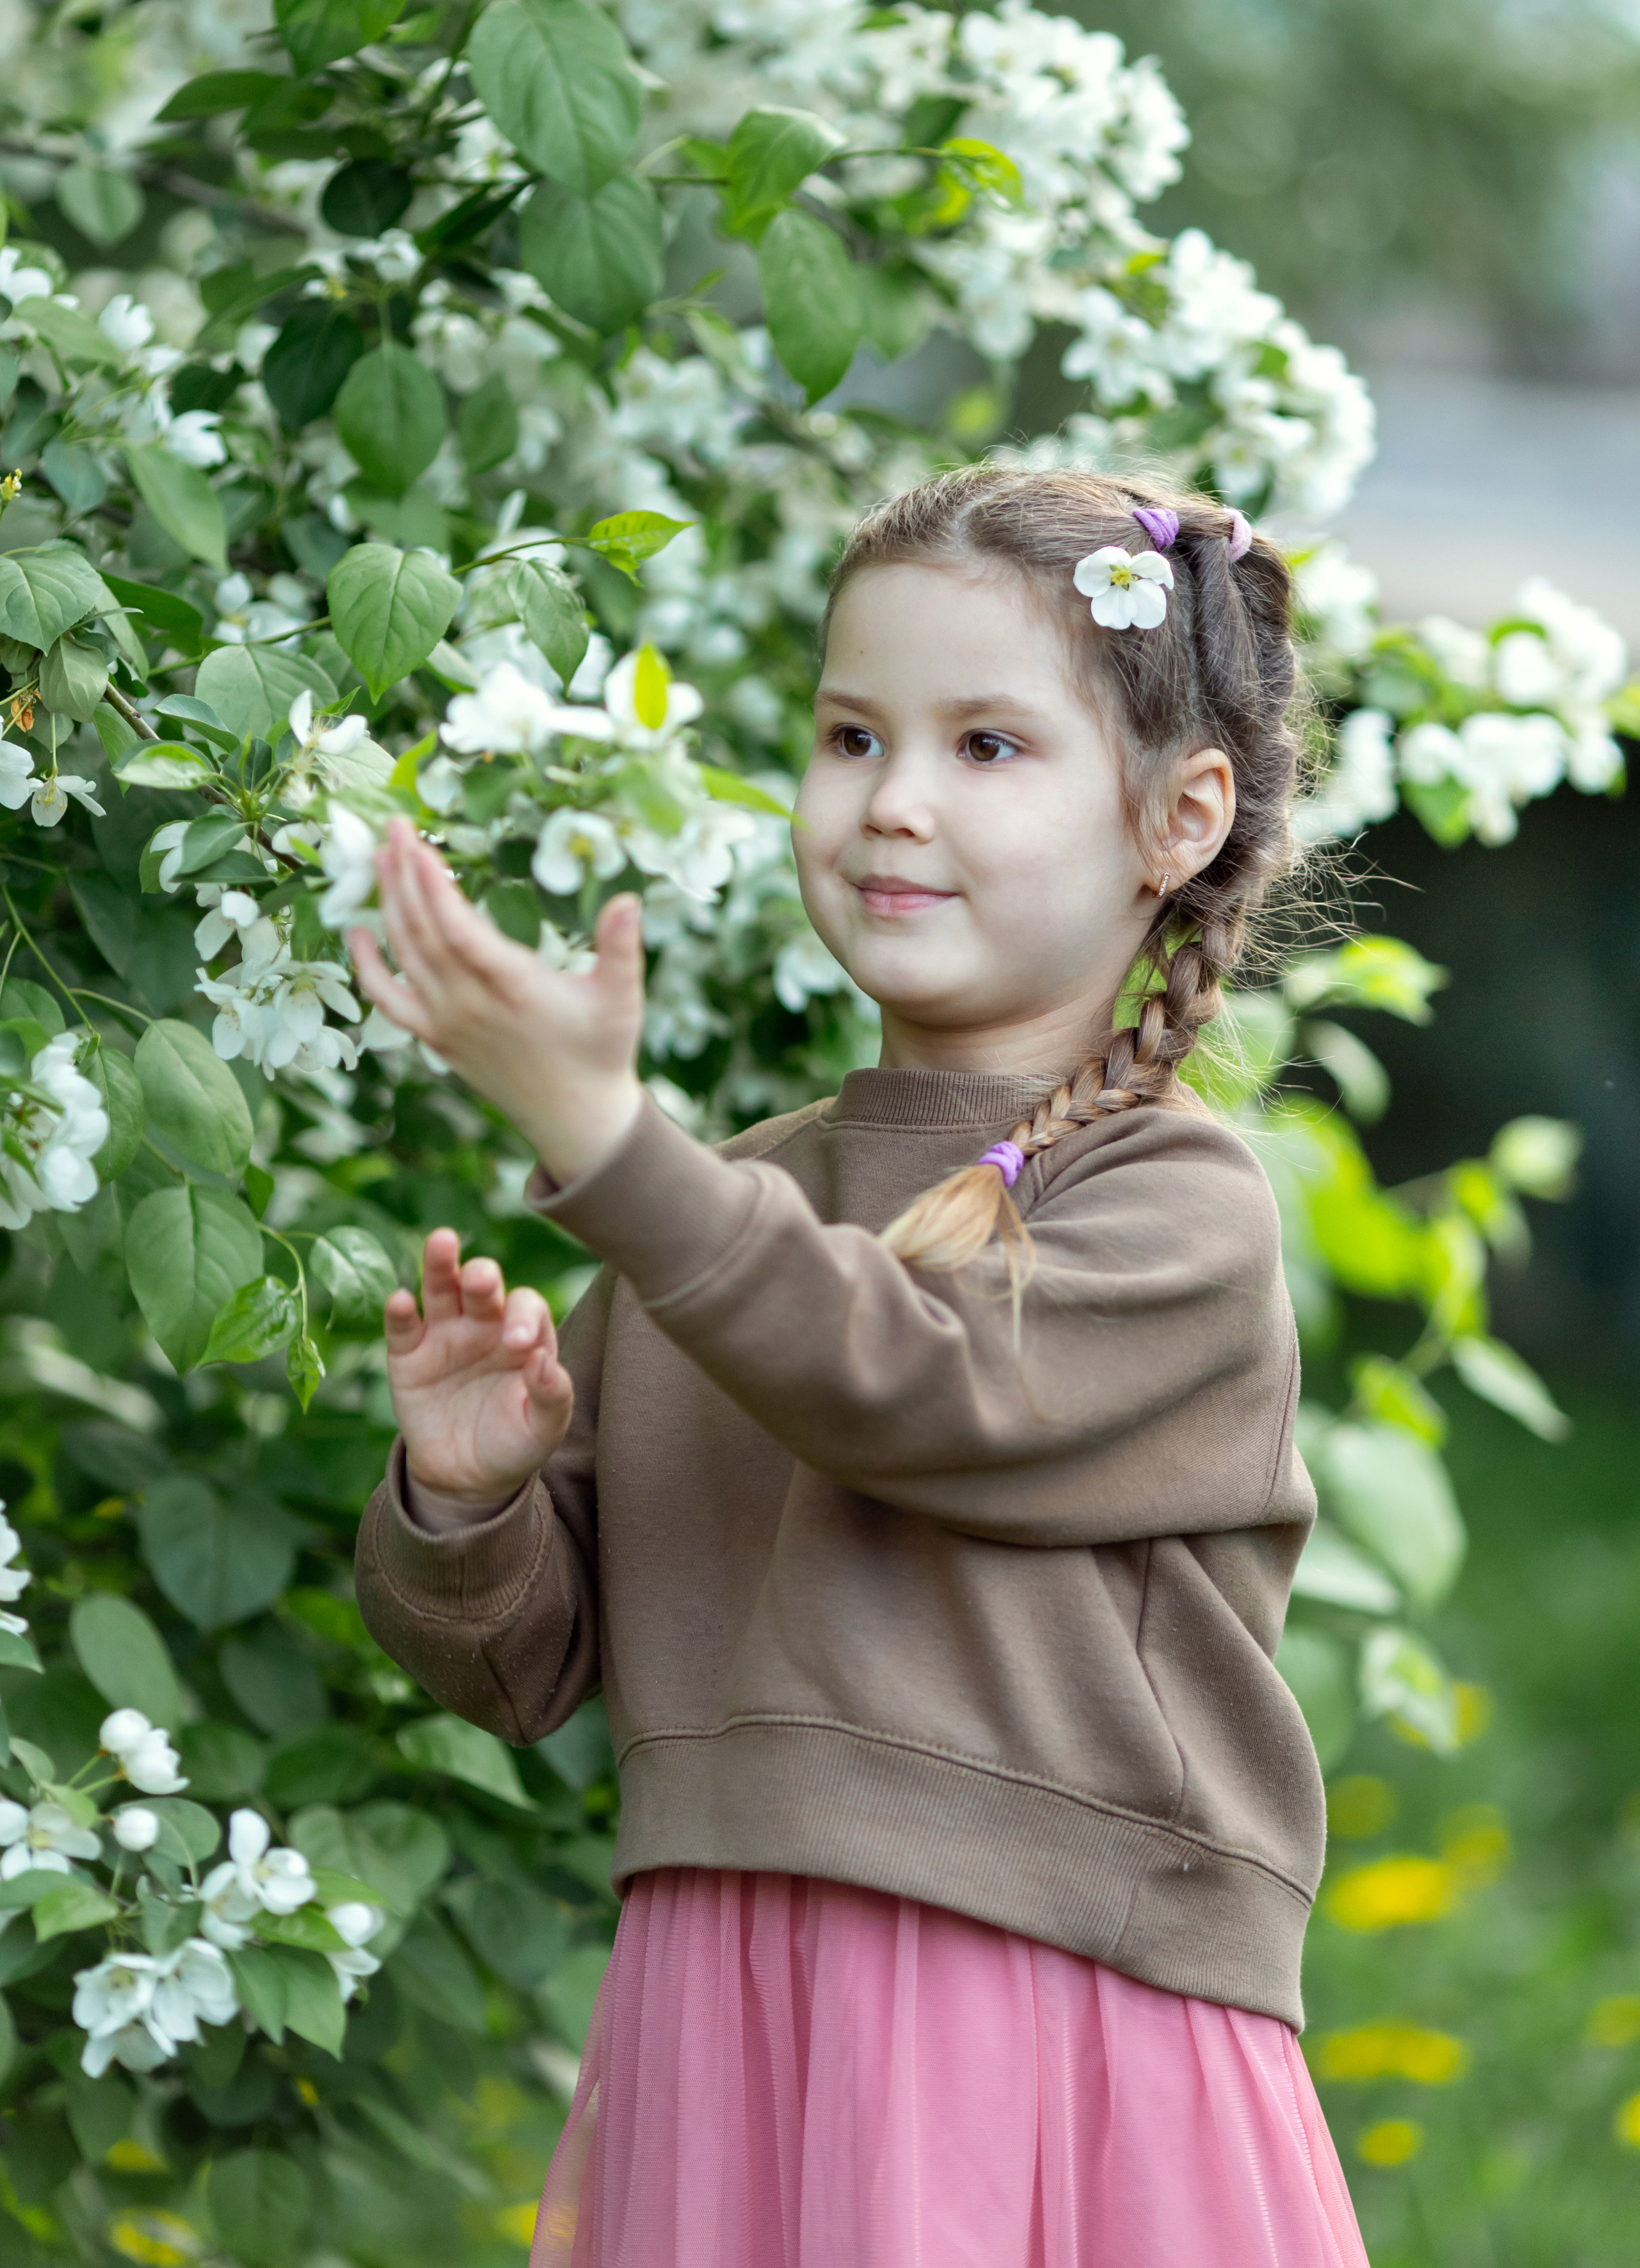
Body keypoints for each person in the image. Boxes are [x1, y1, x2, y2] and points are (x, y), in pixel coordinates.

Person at [351, 466, 1370, 2268]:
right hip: (728, 2013)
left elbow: (912, 1387)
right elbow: (523, 1668)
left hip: (1051, 2009)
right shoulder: (731, 1209)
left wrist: (613, 1144)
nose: (893, 799)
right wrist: (468, 1494)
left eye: (988, 745)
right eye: (851, 736)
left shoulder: (1173, 1206)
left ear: (1178, 819)